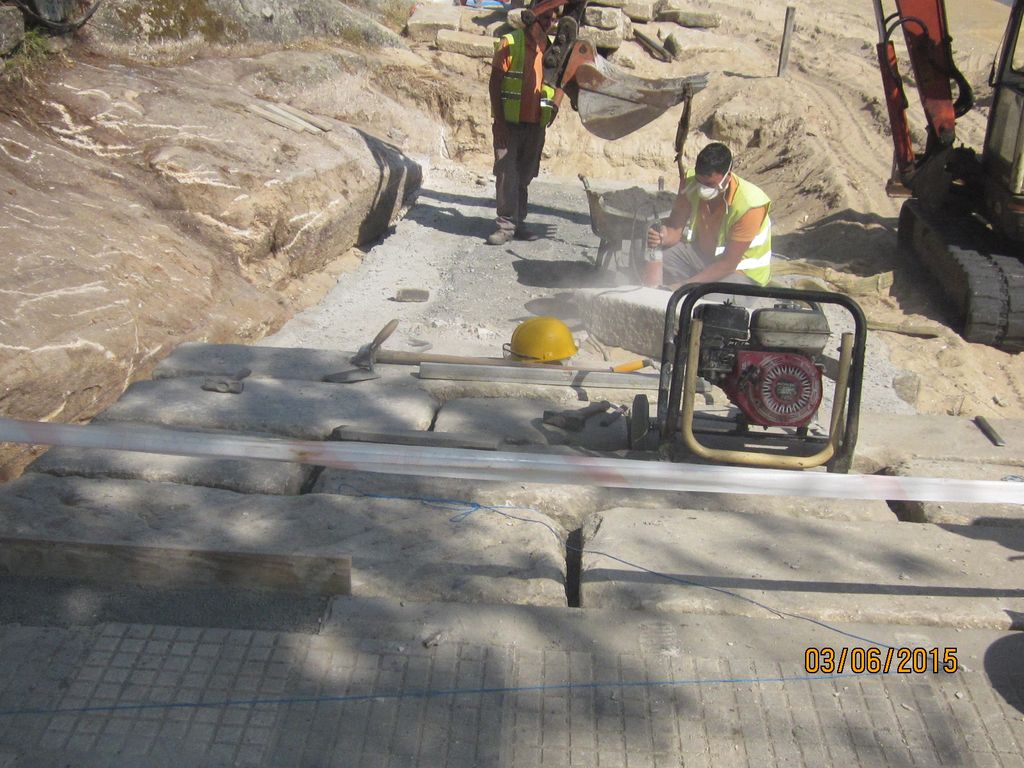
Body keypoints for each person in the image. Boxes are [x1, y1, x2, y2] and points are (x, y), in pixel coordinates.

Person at [647, 142, 773, 290]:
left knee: (708, 304)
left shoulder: (750, 205)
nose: (702, 189)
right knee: (663, 257)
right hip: (705, 257)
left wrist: (683, 286)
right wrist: (663, 235)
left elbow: (728, 264)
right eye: (700, 182)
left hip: (741, 272)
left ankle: (695, 289)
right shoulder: (690, 183)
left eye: (710, 184)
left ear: (728, 175)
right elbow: (674, 229)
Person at [486, 2, 560, 245]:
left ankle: (519, 222)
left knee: (525, 174)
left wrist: (555, 106)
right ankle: (505, 226)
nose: (550, 23)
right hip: (510, 121)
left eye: (553, 18)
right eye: (546, 17)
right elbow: (495, 83)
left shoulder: (552, 51)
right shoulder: (511, 43)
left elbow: (559, 82)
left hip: (536, 124)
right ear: (533, 18)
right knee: (507, 173)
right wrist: (499, 122)